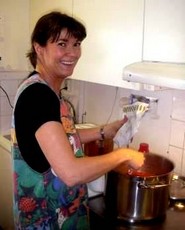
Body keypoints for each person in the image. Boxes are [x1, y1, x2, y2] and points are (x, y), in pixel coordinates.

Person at [11, 11, 145, 229]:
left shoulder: (42, 89)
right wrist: (123, 155)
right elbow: (71, 173)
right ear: (39, 47)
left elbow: (59, 138)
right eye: (62, 44)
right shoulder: (39, 97)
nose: (72, 53)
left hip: (54, 214)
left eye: (77, 44)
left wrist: (103, 132)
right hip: (48, 219)